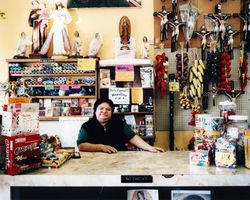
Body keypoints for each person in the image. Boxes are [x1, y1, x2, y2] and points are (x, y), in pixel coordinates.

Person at [77, 98, 164, 153]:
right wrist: (101, 147)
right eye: (101, 108)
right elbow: (81, 145)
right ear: (95, 111)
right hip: (94, 161)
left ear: (112, 112)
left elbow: (133, 137)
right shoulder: (87, 126)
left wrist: (149, 148)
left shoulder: (119, 123)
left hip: (119, 160)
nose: (104, 111)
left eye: (108, 109)